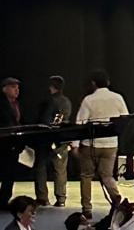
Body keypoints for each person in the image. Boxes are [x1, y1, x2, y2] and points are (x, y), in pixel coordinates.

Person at [72, 70, 128, 218]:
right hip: (110, 144)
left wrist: (75, 145)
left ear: (93, 84)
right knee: (107, 176)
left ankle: (87, 209)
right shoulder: (118, 98)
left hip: (90, 144)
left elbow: (80, 123)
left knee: (86, 176)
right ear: (108, 83)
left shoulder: (88, 100)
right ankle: (116, 197)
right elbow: (125, 118)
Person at [34, 76, 73, 206]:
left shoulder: (47, 102)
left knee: (41, 168)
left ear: (51, 87)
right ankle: (61, 199)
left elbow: (44, 121)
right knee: (60, 169)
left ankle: (42, 197)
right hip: (61, 139)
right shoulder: (66, 101)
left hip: (45, 139)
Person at [0, 78, 22, 210]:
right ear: (4, 89)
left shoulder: (16, 103)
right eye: (13, 87)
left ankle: (3, 201)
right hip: (2, 143)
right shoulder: (1, 104)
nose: (17, 90)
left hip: (13, 144)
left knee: (10, 174)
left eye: (18, 87)